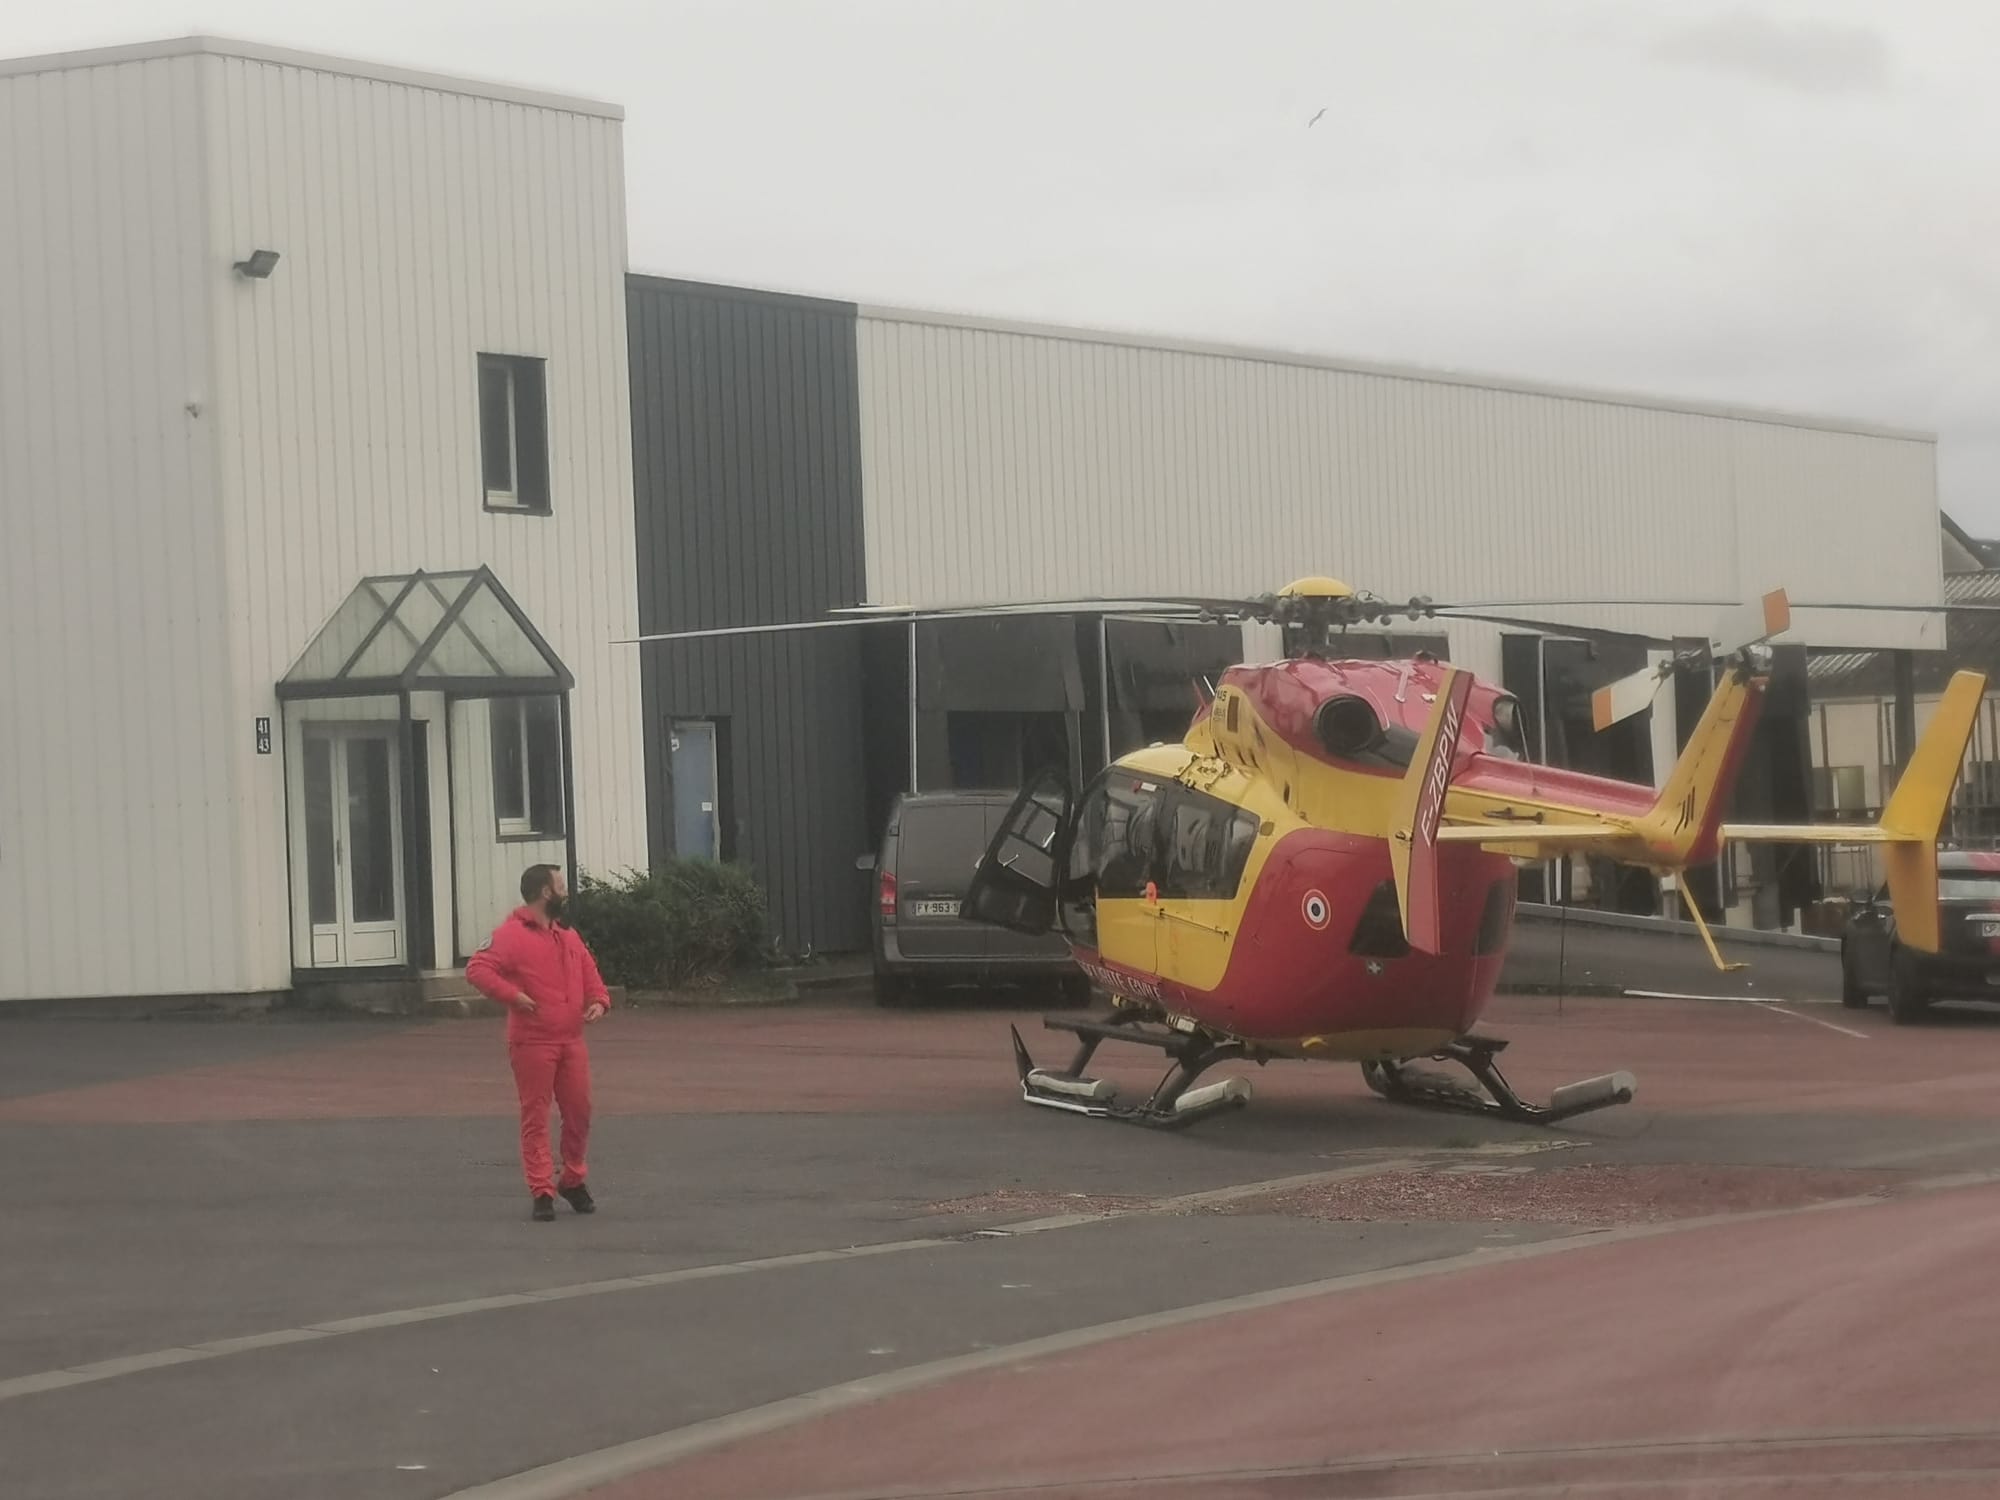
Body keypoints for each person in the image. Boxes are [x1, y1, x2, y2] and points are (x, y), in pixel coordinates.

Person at [465, 864, 611, 1222]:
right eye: (560, 885)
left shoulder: (568, 935)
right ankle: (542, 1189)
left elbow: (590, 973)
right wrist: (513, 995)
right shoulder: (511, 935)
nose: (565, 892)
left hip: (571, 1039)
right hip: (532, 1042)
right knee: (536, 1114)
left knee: (579, 1111)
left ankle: (573, 1177)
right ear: (546, 892)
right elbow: (477, 968)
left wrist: (598, 1000)